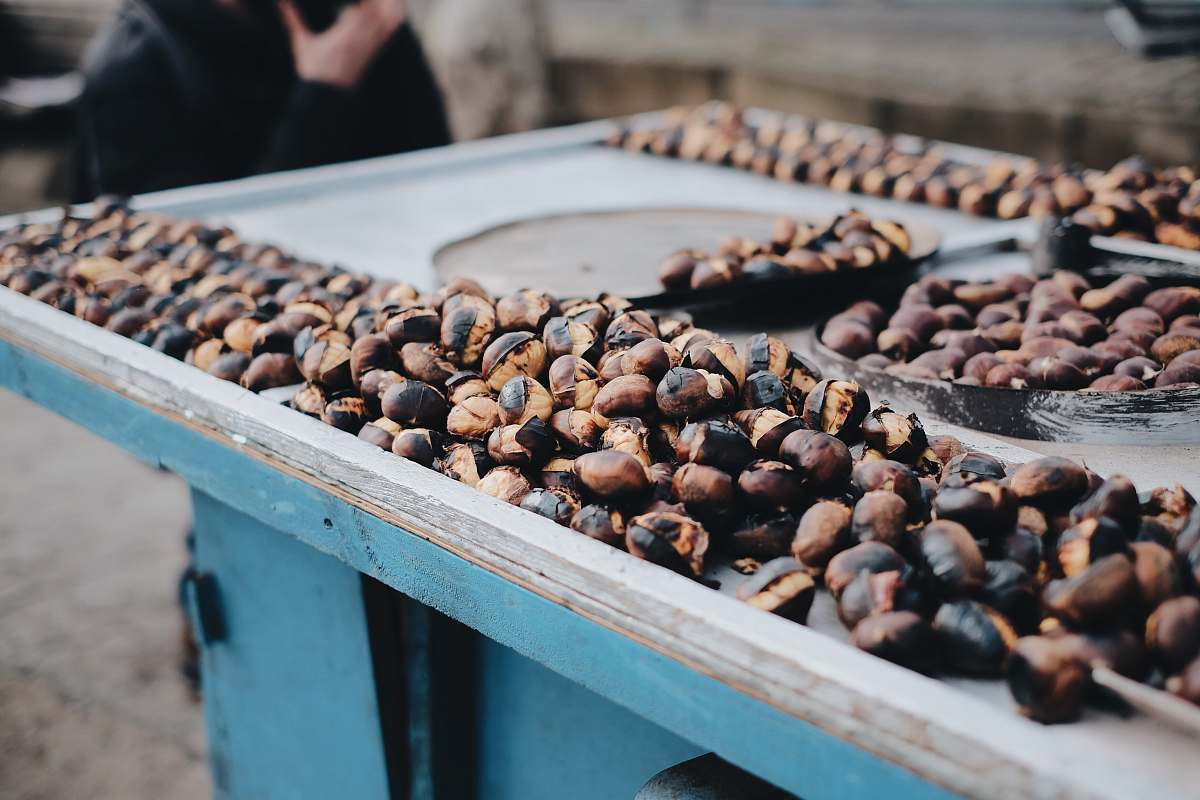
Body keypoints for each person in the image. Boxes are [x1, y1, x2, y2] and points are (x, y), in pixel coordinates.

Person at [72, 0, 450, 199]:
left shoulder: (343, 18)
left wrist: (393, 49)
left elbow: (435, 173)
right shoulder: (132, 66)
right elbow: (196, 260)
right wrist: (325, 93)